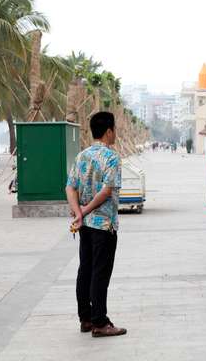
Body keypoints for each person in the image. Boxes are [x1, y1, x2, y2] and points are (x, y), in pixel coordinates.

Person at [65, 111, 127, 337]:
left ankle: (86, 318)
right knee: (100, 273)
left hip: (85, 227)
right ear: (109, 131)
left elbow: (69, 187)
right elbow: (106, 191)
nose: (115, 134)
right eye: (114, 130)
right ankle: (100, 322)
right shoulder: (112, 157)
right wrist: (85, 211)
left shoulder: (82, 156)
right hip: (103, 225)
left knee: (85, 270)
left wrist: (79, 213)